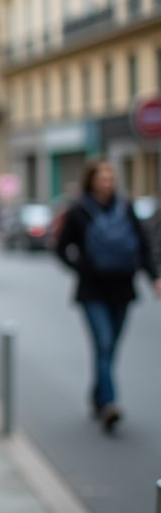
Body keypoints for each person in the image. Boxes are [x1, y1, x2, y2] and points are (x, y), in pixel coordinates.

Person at [55, 160, 160, 433]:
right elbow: (59, 247)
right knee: (103, 343)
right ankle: (110, 404)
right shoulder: (78, 211)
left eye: (110, 177)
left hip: (122, 288)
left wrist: (154, 277)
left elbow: (143, 245)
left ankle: (97, 395)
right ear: (90, 181)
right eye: (101, 177)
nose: (107, 182)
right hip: (92, 290)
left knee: (110, 347)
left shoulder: (125, 208)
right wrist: (81, 269)